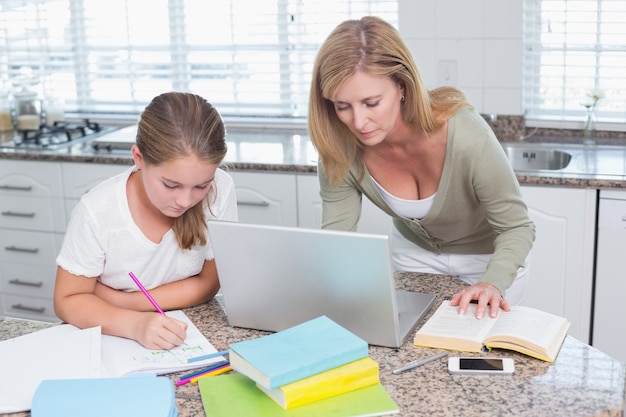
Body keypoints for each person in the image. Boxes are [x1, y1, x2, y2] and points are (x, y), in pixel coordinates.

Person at [308, 16, 535, 320]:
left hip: (490, 260)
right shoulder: (339, 149)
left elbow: (517, 227)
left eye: (371, 102)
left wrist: (491, 283)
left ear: (402, 87)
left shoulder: (465, 134)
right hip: (413, 256)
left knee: (475, 350)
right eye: (342, 106)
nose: (358, 122)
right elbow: (338, 239)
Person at [54, 92, 238, 349]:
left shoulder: (220, 188)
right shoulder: (97, 211)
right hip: (111, 338)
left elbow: (209, 283)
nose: (185, 201)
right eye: (171, 185)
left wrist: (125, 301)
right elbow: (68, 299)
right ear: (139, 158)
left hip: (185, 333)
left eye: (201, 186)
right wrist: (134, 324)